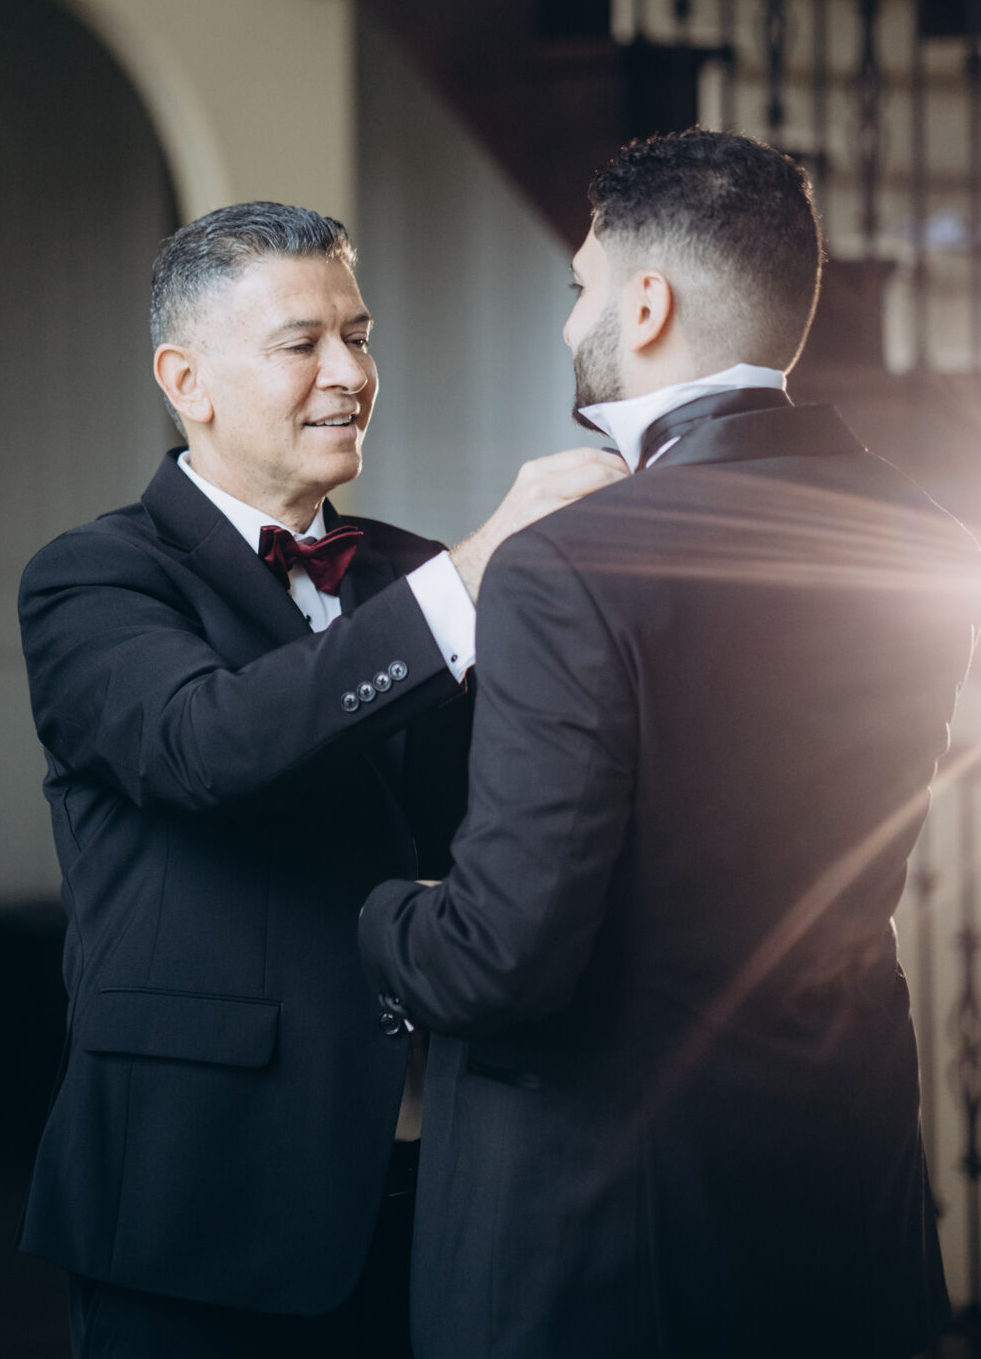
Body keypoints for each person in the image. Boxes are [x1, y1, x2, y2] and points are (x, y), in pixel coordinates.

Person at [359, 129, 980, 1359]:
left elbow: (499, 963)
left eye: (579, 284)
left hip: (609, 1240)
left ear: (645, 305)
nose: (568, 319)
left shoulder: (564, 565)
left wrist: (382, 914)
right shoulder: (926, 533)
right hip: (841, 1196)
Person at [15, 200, 625, 1358]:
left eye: (359, 335)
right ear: (185, 381)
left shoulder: (407, 571)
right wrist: (472, 575)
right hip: (202, 1191)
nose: (349, 374)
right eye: (301, 344)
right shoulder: (91, 578)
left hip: (442, 1175)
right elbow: (205, 748)